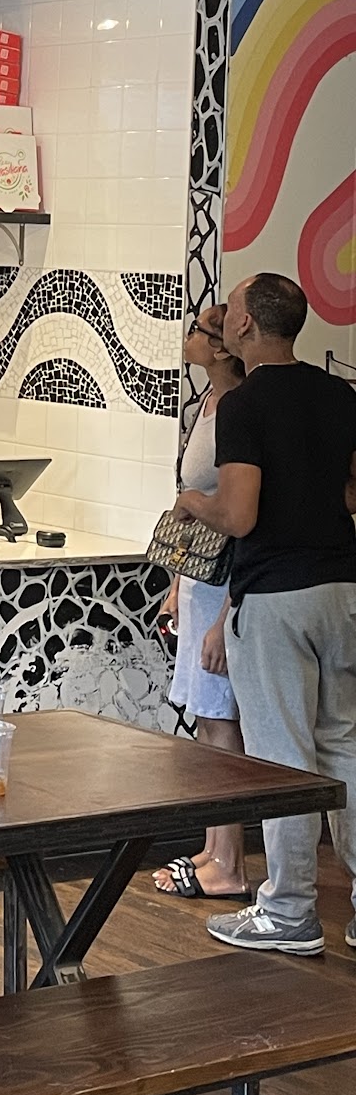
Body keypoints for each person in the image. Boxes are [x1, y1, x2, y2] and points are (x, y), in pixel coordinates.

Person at [173, 273, 356, 955]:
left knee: (283, 758)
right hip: (343, 587)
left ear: (246, 325)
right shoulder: (340, 395)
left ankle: (288, 912)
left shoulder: (244, 405)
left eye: (233, 312)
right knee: (345, 746)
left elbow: (238, 513)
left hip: (275, 595)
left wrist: (193, 503)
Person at [153, 304, 249, 901]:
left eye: (197, 329)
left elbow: (241, 522)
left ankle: (230, 861)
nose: (187, 335)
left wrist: (222, 618)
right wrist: (175, 586)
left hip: (223, 587)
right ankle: (215, 848)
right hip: (198, 578)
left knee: (220, 721)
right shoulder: (206, 406)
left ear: (218, 347)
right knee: (208, 721)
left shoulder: (238, 411)